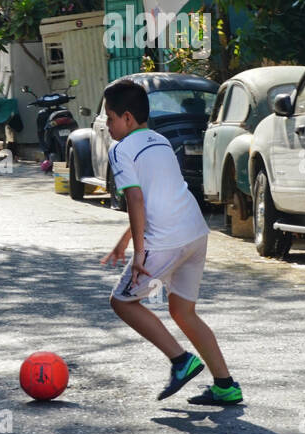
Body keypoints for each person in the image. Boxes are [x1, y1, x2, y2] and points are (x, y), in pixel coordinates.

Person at [100, 79, 243, 406]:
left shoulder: (120, 149)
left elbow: (135, 198)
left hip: (163, 241)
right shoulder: (161, 141)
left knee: (122, 302)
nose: (107, 126)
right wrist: (125, 240)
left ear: (127, 118)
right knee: (183, 311)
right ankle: (225, 385)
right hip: (194, 233)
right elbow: (156, 195)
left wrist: (139, 252)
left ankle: (181, 360)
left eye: (109, 118)